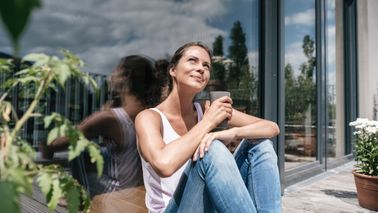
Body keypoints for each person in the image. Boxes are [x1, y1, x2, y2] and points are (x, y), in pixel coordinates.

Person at [135, 42, 281, 212]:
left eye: (206, 65)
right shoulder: (149, 117)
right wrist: (207, 123)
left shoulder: (207, 109)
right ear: (173, 70)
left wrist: (232, 133)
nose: (201, 68)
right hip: (173, 209)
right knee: (213, 150)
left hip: (206, 206)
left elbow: (271, 127)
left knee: (260, 145)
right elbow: (164, 164)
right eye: (192, 60)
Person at [42, 55, 168, 210]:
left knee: (80, 150)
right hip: (145, 195)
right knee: (100, 152)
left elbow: (58, 144)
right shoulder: (153, 113)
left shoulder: (110, 119)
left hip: (118, 198)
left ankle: (79, 198)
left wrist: (45, 145)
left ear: (125, 77)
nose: (110, 76)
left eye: (115, 71)